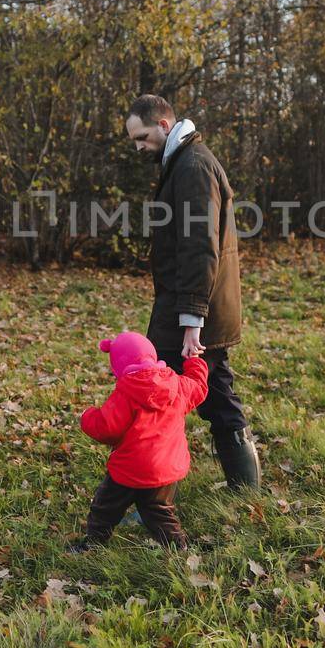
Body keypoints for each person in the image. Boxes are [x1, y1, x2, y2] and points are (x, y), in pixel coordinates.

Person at [124, 94, 261, 488]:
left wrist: (191, 320)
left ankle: (148, 495)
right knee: (216, 393)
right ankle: (245, 488)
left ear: (164, 126)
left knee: (154, 396)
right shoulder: (182, 162)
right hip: (196, 304)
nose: (139, 146)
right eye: (135, 139)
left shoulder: (193, 166)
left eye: (143, 136)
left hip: (191, 307)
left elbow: (201, 246)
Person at [74, 331, 209, 549]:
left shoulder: (126, 392)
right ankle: (177, 546)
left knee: (106, 506)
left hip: (130, 468)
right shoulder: (177, 385)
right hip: (165, 467)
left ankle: (94, 543)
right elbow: (198, 387)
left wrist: (88, 417)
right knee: (159, 510)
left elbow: (108, 428)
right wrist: (194, 362)